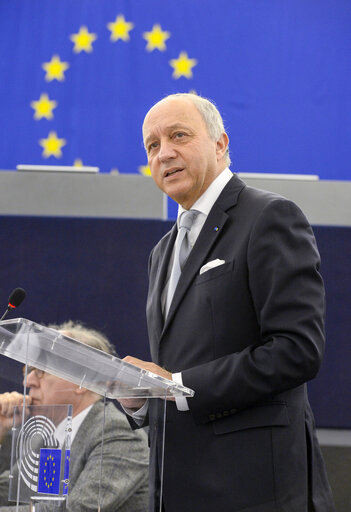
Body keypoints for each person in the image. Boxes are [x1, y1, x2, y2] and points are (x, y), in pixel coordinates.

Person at [120, 93, 335, 511]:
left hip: (254, 491)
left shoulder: (270, 217)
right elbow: (176, 368)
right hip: (178, 490)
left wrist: (178, 386)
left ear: (220, 144)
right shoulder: (161, 252)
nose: (164, 153)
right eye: (152, 145)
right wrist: (145, 396)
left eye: (178, 136)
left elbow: (297, 351)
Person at [0, 321, 149, 512]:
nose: (27, 381)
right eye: (27, 370)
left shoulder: (117, 435)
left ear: (81, 382)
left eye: (41, 370)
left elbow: (77, 509)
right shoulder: (48, 435)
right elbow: (5, 493)